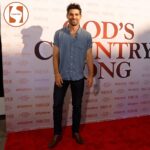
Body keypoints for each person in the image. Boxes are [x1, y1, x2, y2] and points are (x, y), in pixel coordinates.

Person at [49, 3, 93, 148]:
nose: (74, 17)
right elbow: (55, 56)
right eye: (71, 14)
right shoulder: (59, 34)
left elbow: (89, 56)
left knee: (77, 106)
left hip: (78, 77)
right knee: (57, 105)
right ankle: (57, 133)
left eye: (76, 14)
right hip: (61, 76)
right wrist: (56, 74)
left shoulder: (86, 36)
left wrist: (91, 75)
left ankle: (75, 132)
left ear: (80, 16)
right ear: (67, 16)